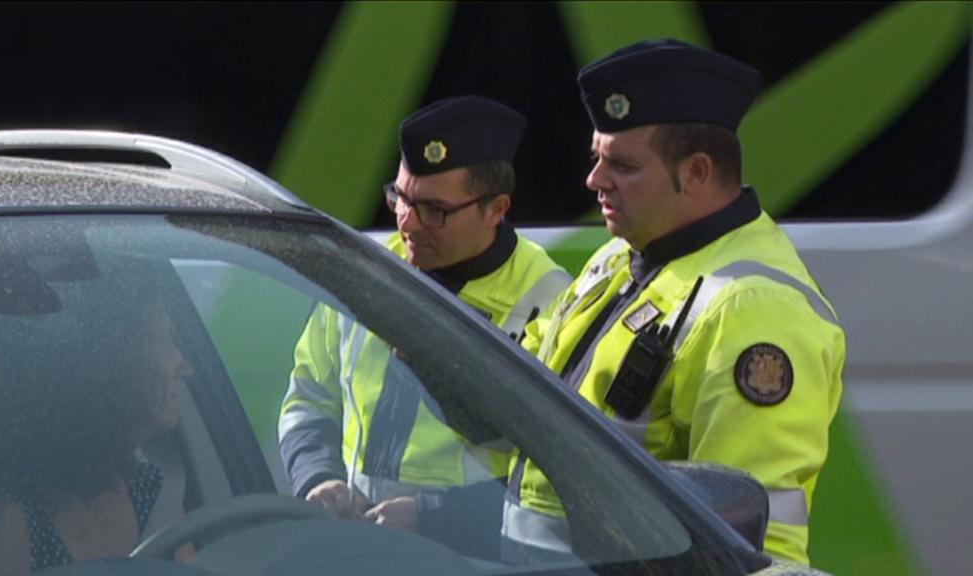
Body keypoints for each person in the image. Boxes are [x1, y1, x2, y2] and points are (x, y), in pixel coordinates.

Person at [503, 39, 846, 565]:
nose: (594, 179)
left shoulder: (755, 309)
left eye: (623, 165)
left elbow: (753, 545)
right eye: (596, 157)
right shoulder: (625, 254)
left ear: (697, 174)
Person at [279, 95, 571, 557]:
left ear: (496, 209)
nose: (407, 223)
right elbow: (308, 395)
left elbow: (557, 471)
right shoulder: (369, 272)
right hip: (360, 544)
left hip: (478, 557)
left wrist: (437, 518)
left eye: (434, 210)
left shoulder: (548, 298)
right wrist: (319, 477)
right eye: (400, 198)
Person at [0, 291, 194, 575]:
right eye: (166, 344)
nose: (185, 367)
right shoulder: (6, 523)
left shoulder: (158, 495)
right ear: (114, 364)